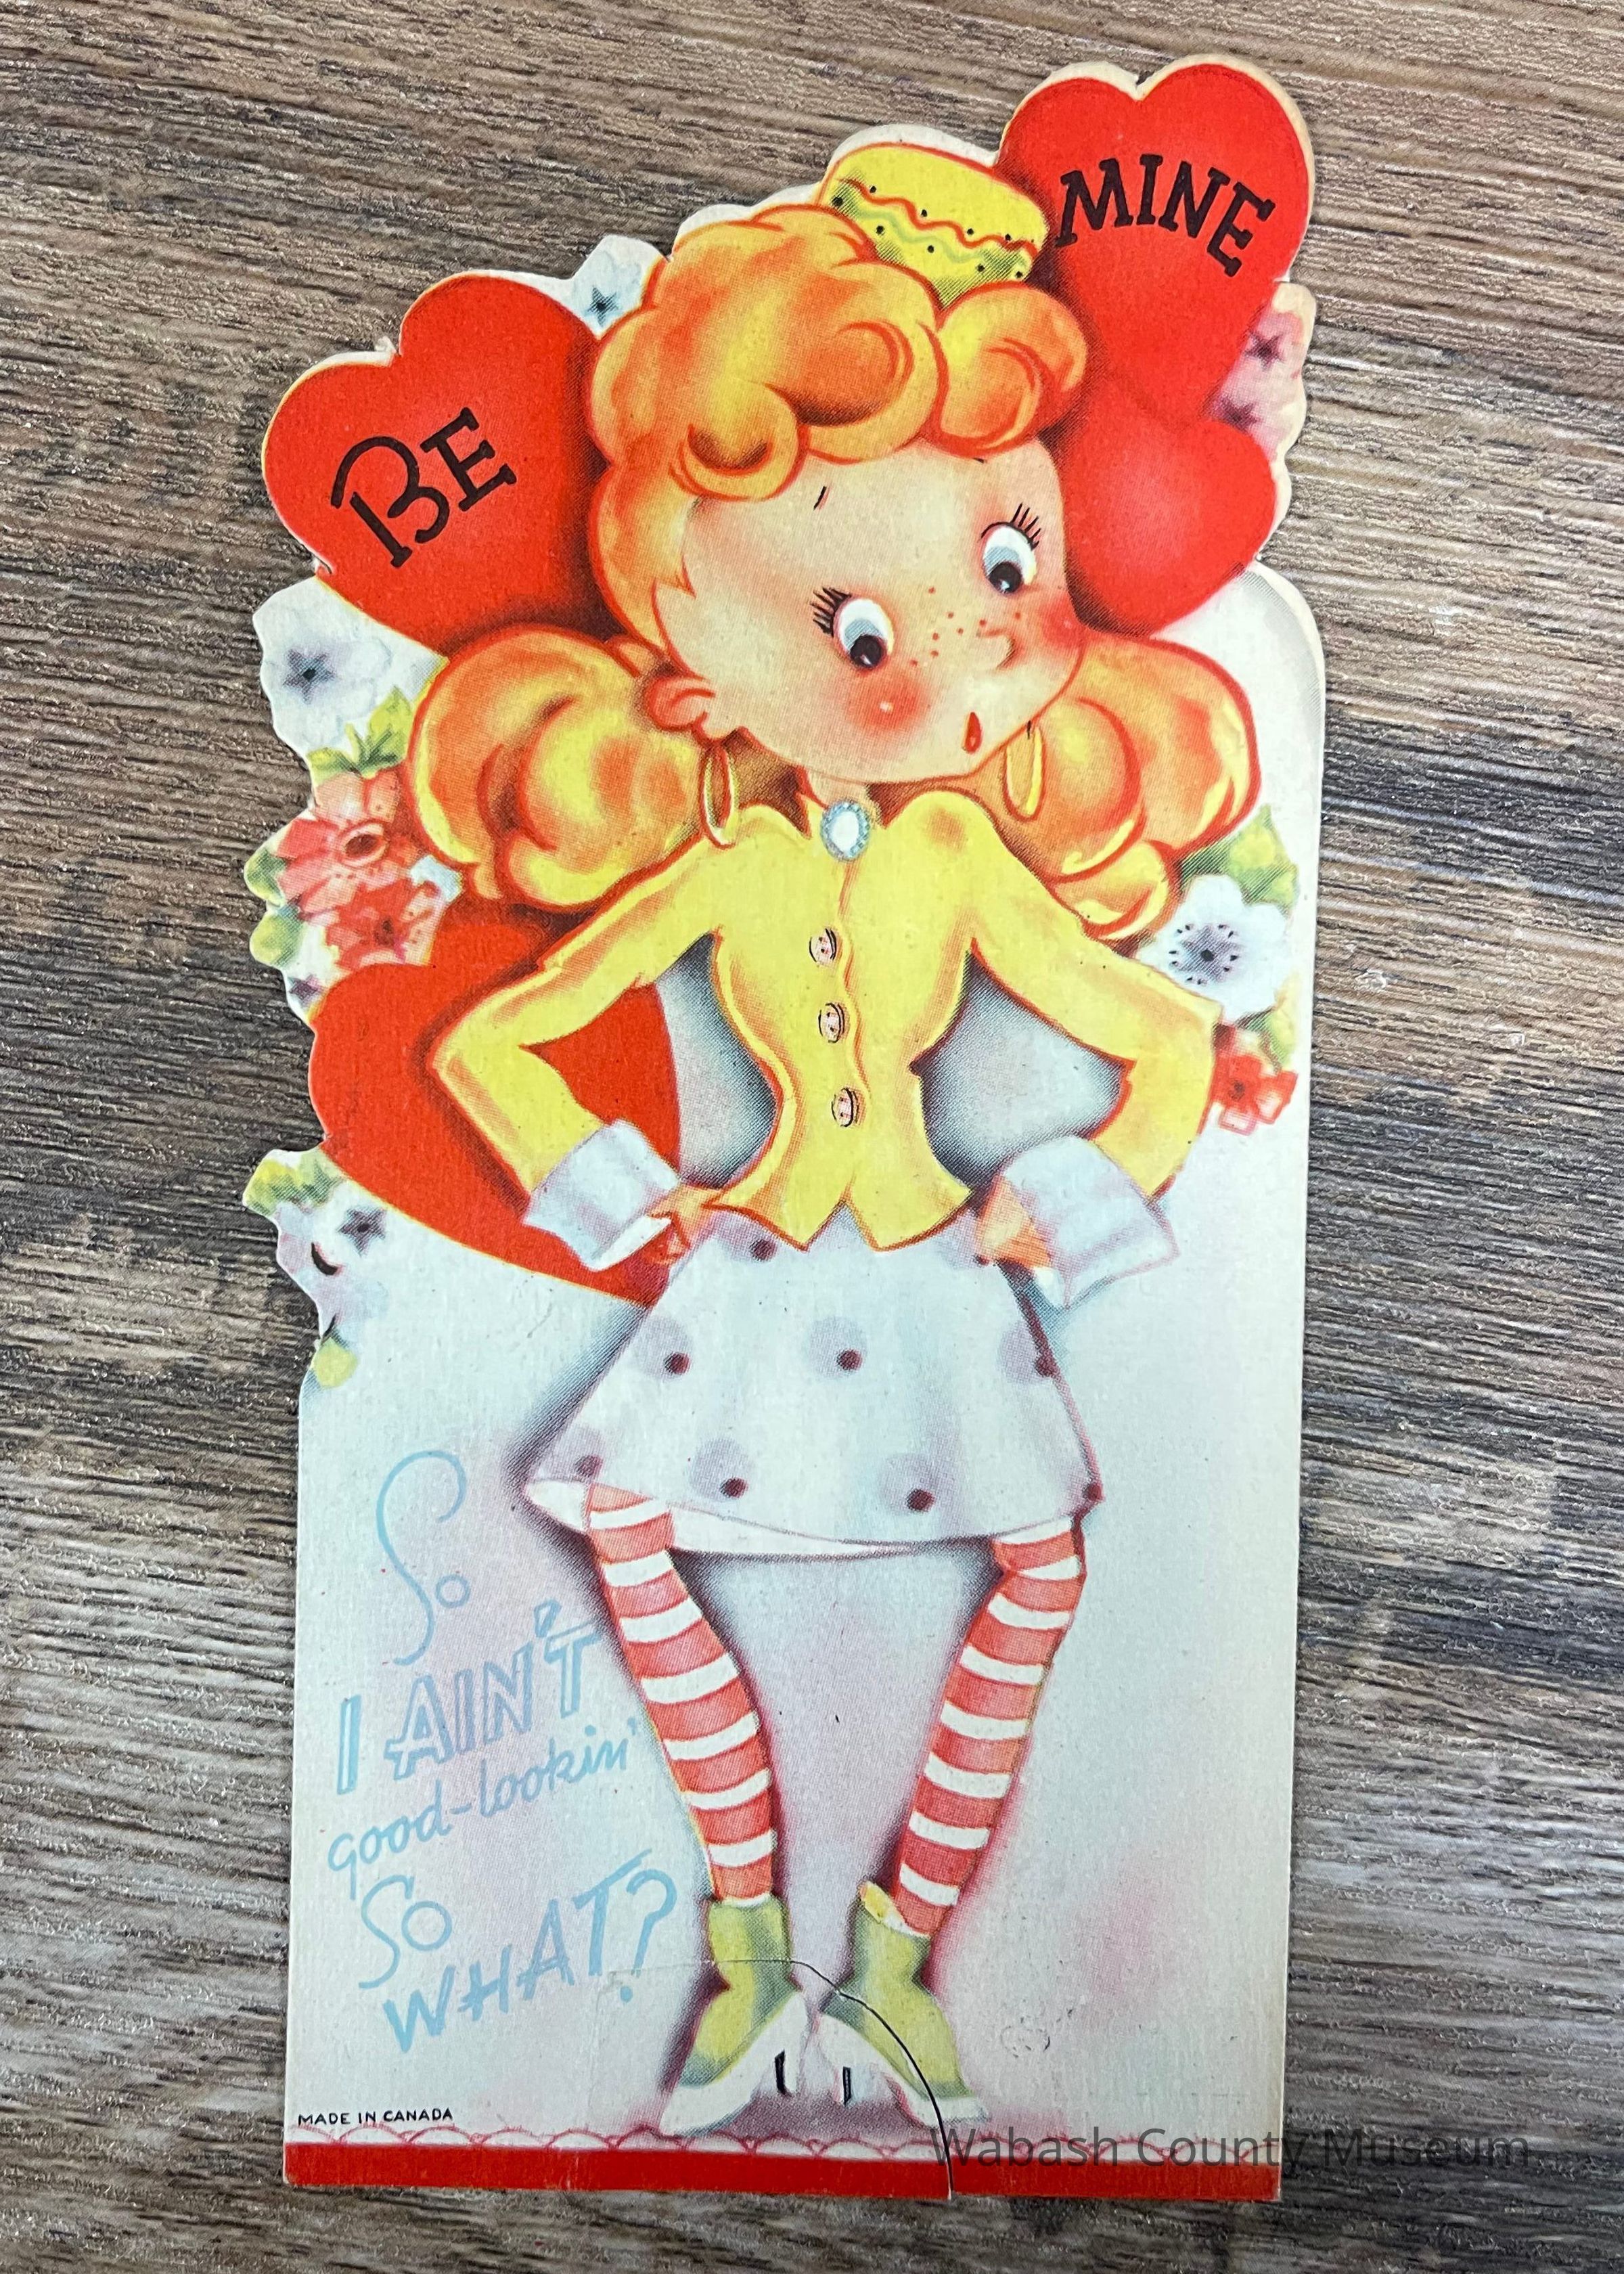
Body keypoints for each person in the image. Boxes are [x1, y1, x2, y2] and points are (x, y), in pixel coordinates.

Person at [407, 155, 1257, 2137]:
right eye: (861, 625)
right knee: (632, 1528)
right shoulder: (727, 865)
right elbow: (495, 1037)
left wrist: (1077, 1188)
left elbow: (1161, 1034)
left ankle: (892, 1948)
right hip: (764, 1262)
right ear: (692, 657)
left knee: (1037, 1563)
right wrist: (625, 1200)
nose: (952, 665)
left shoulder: (958, 851)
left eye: (1006, 571)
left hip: (942, 1270)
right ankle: (742, 1941)